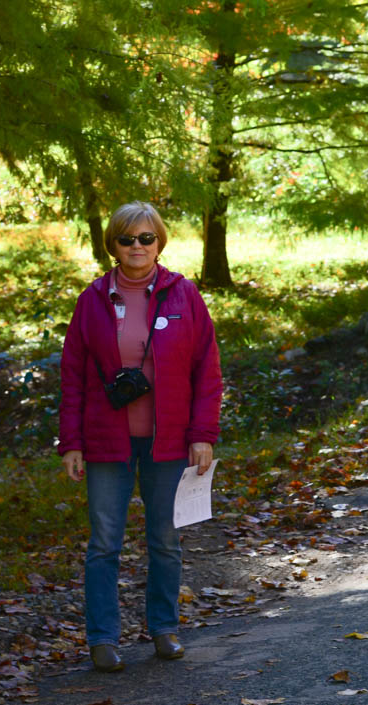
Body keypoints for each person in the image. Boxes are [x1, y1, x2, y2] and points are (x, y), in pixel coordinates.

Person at [58, 201, 222, 673]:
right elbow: (73, 376)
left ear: (159, 242)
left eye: (146, 238)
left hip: (167, 442)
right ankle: (102, 640)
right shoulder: (92, 299)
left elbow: (207, 370)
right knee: (104, 543)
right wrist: (71, 442)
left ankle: (164, 630)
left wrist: (202, 434)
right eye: (126, 238)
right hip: (105, 441)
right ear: (113, 244)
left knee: (165, 539)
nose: (136, 246)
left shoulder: (183, 295)